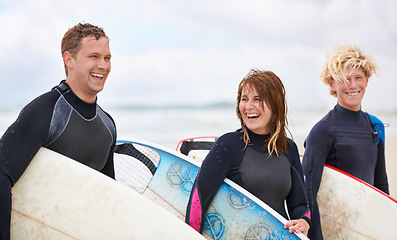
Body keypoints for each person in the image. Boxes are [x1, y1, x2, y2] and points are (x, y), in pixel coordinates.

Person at [0, 23, 116, 239]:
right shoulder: (45, 112)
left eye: (107, 58)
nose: (103, 65)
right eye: (94, 56)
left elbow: (106, 198)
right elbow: (1, 174)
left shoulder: (107, 126)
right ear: (68, 59)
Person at [185, 69, 311, 237]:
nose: (248, 106)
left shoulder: (289, 149)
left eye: (257, 99)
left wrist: (303, 222)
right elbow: (198, 203)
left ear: (275, 105)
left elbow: (299, 206)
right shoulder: (228, 145)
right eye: (244, 99)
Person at [302, 43, 389, 239]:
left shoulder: (375, 127)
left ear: (367, 80)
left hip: (365, 229)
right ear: (331, 84)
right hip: (334, 229)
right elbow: (308, 191)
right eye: (344, 79)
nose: (352, 85)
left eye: (358, 78)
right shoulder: (322, 130)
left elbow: (381, 185)